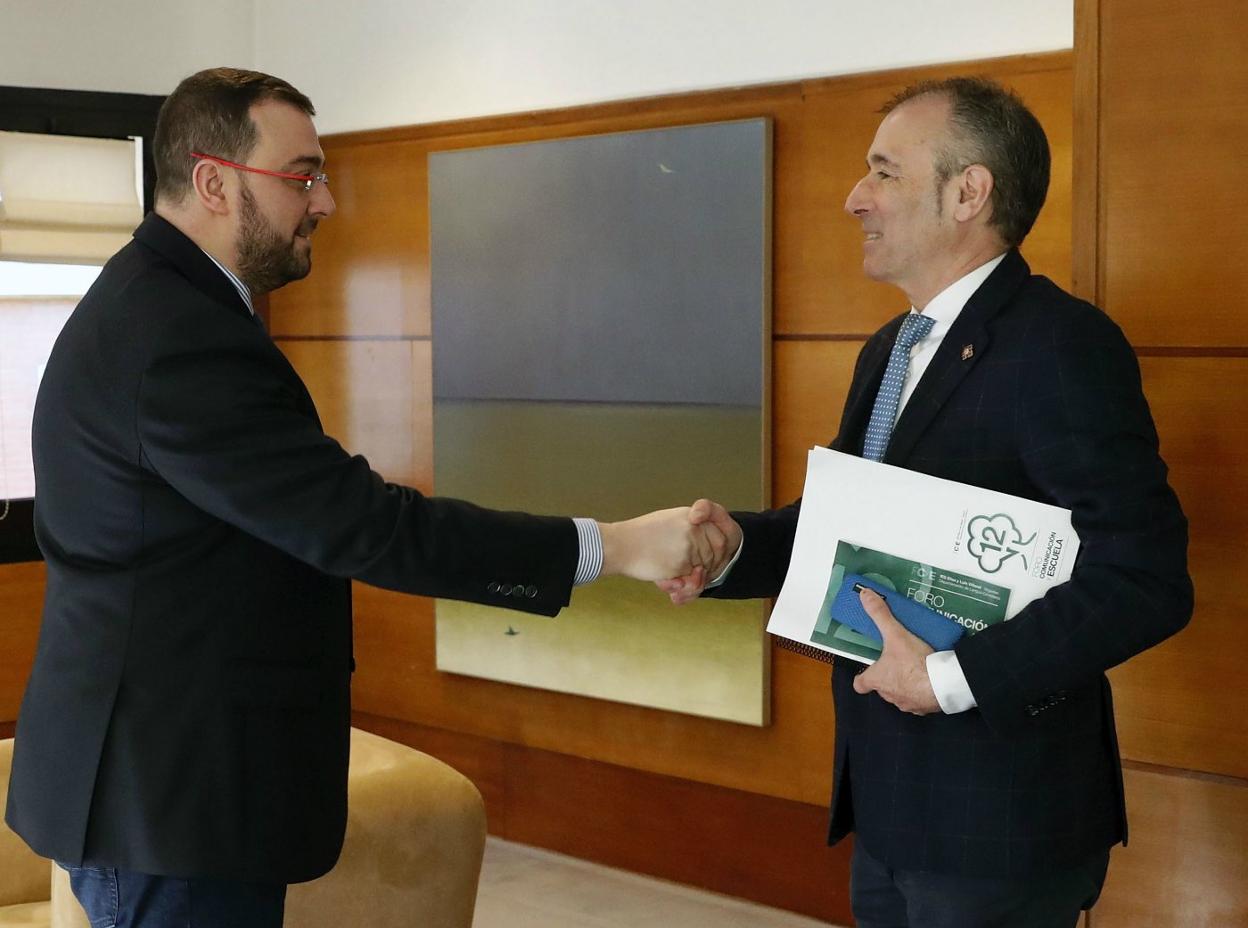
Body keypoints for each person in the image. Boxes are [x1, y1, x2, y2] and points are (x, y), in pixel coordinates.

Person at [4, 68, 731, 928]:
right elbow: (365, 526)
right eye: (302, 174)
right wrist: (613, 545)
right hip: (171, 798)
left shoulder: (164, 306)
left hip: (170, 784)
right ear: (212, 180)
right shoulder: (178, 337)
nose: (326, 201)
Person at [660, 77, 1192, 928]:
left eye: (883, 173)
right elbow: (844, 526)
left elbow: (1145, 580)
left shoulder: (1062, 347)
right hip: (889, 801)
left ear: (967, 192)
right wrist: (732, 550)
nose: (854, 198)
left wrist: (949, 680)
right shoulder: (891, 349)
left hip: (1003, 817)